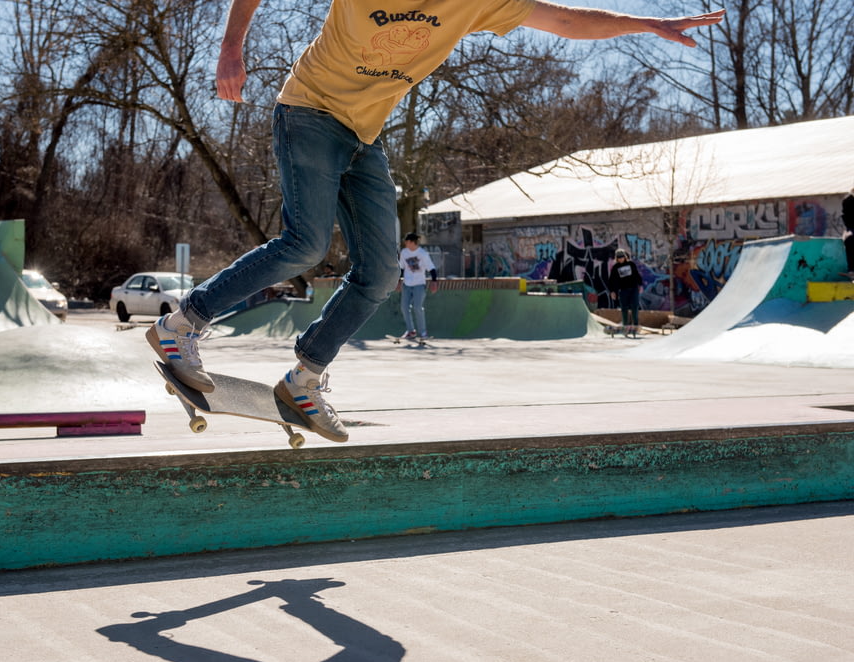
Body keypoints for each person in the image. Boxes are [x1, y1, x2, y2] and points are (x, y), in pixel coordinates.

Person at [148, 0, 726, 443]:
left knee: (379, 274)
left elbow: (562, 19)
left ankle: (303, 382)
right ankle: (182, 324)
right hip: (308, 111)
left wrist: (645, 24)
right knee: (305, 244)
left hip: (363, 137)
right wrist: (231, 50)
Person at [397, 233, 438, 339]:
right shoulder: (404, 252)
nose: (405, 243)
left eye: (406, 241)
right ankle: (411, 331)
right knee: (404, 307)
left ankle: (423, 332)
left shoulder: (422, 254)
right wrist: (398, 282)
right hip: (407, 284)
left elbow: (432, 268)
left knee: (417, 307)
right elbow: (401, 268)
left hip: (419, 285)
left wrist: (434, 282)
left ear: (411, 242)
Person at [608, 248, 643, 330]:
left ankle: (635, 325)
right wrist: (612, 291)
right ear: (617, 258)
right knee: (624, 308)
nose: (621, 259)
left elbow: (637, 274)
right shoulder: (615, 267)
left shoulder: (631, 264)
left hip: (633, 288)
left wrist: (640, 285)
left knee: (635, 306)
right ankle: (625, 325)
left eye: (622, 257)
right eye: (619, 258)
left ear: (625, 257)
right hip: (623, 290)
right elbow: (611, 280)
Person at [842, 186, 854, 279]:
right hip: (852, 227)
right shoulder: (848, 201)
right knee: (849, 240)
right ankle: (852, 270)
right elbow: (846, 216)